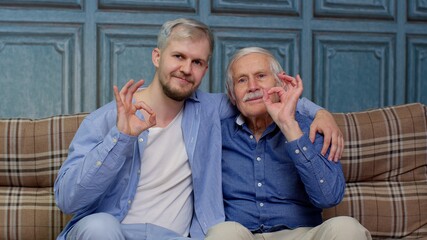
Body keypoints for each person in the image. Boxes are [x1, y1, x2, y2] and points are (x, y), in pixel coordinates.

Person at [54, 19, 343, 240]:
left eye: (197, 62)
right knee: (99, 226)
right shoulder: (104, 119)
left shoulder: (209, 110)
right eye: (178, 56)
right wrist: (121, 138)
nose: (186, 69)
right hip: (113, 231)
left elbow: (266, 97)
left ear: (205, 70)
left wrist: (320, 112)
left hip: (178, 237)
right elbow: (68, 200)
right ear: (157, 57)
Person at [204, 47, 371, 240]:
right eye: (242, 80)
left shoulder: (311, 127)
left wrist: (289, 126)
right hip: (242, 235)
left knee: (347, 228)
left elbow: (329, 197)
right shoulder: (218, 134)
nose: (252, 86)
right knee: (221, 233)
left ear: (280, 83)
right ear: (232, 95)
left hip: (302, 234)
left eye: (261, 76)